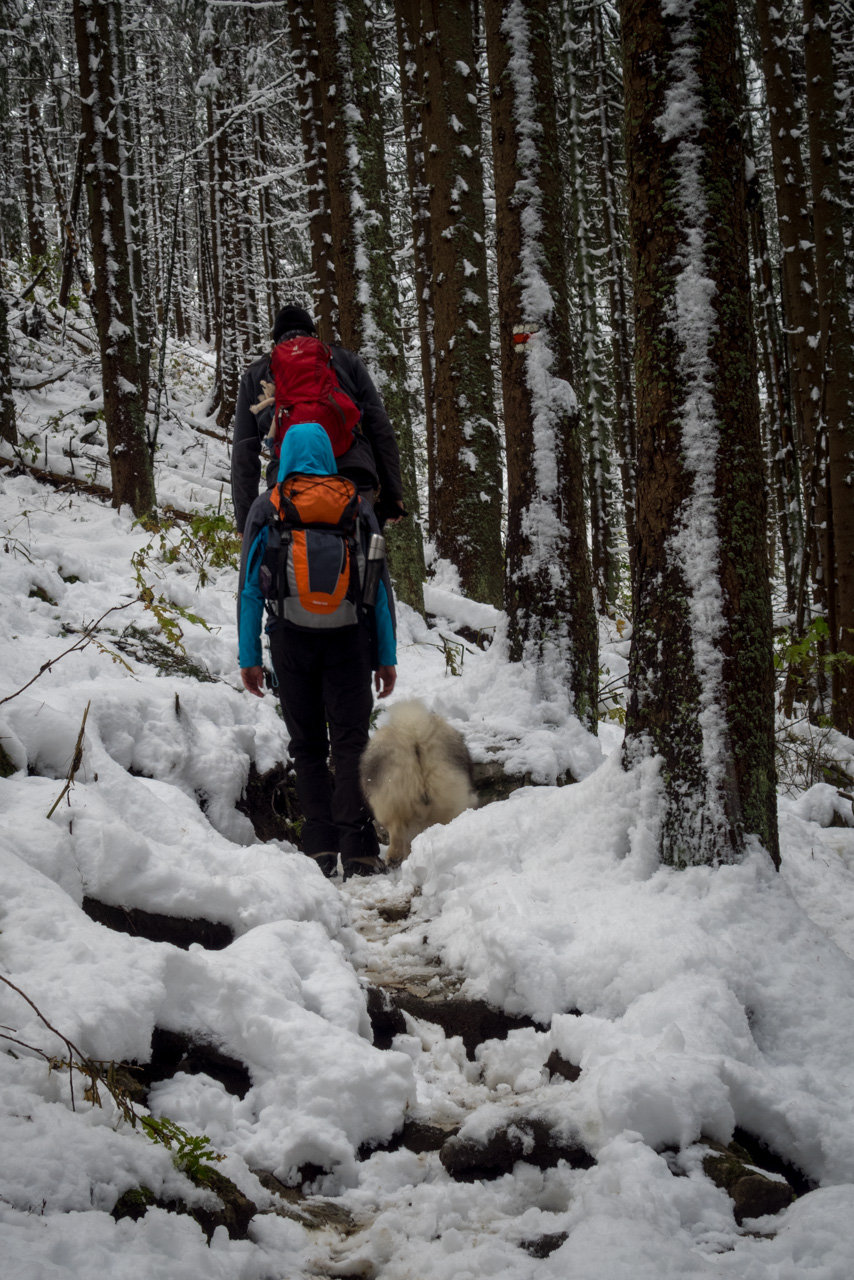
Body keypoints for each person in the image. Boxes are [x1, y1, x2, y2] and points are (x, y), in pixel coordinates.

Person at [238, 420, 396, 880]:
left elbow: (250, 589)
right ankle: (361, 850)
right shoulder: (357, 504)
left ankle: (319, 848)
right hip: (350, 639)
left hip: (290, 638)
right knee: (351, 743)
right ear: (329, 453)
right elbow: (378, 586)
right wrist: (386, 656)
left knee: (307, 746)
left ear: (285, 453)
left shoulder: (268, 505)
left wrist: (249, 656)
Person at [231, 304, 407, 538]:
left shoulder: (257, 373)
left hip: (288, 482)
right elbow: (379, 426)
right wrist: (393, 493)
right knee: (364, 562)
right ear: (312, 333)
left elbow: (244, 449)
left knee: (288, 562)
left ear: (275, 341)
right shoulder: (345, 360)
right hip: (352, 476)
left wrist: (245, 520)